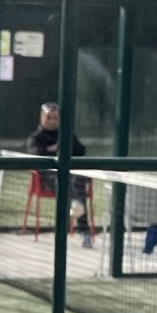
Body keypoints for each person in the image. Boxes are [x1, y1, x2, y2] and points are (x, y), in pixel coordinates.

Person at [26, 99, 93, 245]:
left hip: (73, 177)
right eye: (49, 117)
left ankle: (75, 209)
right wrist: (56, 149)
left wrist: (65, 145)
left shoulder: (66, 134)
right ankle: (80, 227)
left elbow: (81, 150)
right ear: (41, 118)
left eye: (55, 118)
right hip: (48, 179)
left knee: (77, 180)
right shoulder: (35, 138)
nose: (52, 121)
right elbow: (38, 154)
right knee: (69, 185)